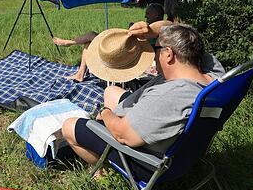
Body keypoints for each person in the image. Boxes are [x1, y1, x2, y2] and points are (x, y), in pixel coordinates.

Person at [61, 24, 225, 181]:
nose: (153, 55)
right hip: (187, 149)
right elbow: (182, 32)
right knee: (111, 91)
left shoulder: (168, 96)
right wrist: (151, 31)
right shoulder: (214, 71)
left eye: (156, 48)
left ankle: (103, 172)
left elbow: (123, 135)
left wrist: (104, 113)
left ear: (168, 54)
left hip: (149, 162)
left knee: (69, 126)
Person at [53, 3, 165, 81]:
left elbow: (165, 26)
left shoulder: (160, 31)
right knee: (90, 42)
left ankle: (70, 43)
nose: (145, 16)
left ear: (156, 15)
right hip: (130, 50)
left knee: (92, 35)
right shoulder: (147, 28)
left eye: (148, 14)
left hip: (135, 56)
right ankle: (80, 73)